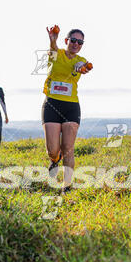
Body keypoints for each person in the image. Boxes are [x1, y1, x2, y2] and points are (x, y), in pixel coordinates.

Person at [42, 26, 92, 193]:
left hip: (71, 106)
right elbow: (53, 50)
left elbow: (81, 65)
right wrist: (52, 40)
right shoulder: (57, 55)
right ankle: (55, 160)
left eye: (80, 42)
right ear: (66, 41)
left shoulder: (81, 60)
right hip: (52, 105)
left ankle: (67, 186)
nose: (76, 44)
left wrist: (81, 66)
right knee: (53, 150)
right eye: (73, 40)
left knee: (69, 148)